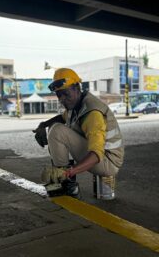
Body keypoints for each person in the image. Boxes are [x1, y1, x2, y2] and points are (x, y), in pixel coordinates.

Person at [33, 68, 124, 197]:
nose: (62, 99)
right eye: (59, 96)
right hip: (101, 158)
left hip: (107, 162)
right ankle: (63, 177)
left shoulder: (92, 114)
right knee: (54, 126)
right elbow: (62, 117)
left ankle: (65, 182)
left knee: (57, 131)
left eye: (66, 94)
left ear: (77, 88)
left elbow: (96, 154)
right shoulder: (75, 105)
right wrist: (43, 125)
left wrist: (69, 172)